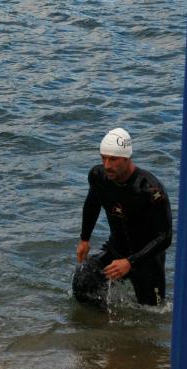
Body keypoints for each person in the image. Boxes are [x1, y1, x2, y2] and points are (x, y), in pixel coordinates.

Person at [73, 127, 172, 307]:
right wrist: (84, 239)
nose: (107, 165)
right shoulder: (98, 177)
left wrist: (130, 262)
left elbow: (165, 236)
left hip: (147, 259)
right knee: (82, 285)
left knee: (152, 313)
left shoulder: (150, 189)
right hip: (115, 251)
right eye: (103, 158)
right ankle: (105, 323)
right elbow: (92, 203)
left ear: (127, 158)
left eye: (113, 159)